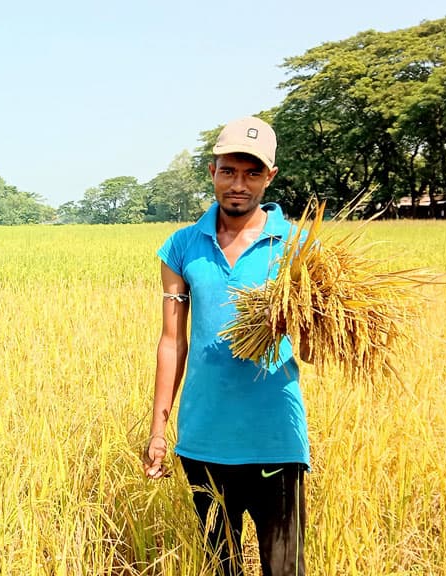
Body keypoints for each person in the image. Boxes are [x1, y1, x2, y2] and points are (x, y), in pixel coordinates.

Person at [141, 116, 311, 576]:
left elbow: (314, 348)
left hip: (276, 438)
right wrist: (159, 429)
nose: (239, 184)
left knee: (284, 569)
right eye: (229, 171)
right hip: (205, 441)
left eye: (252, 173)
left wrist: (296, 319)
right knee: (221, 568)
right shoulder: (181, 246)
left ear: (269, 176)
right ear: (212, 170)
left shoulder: (296, 246)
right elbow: (172, 340)